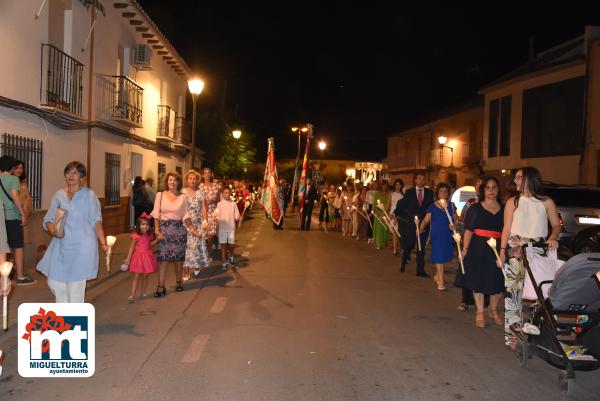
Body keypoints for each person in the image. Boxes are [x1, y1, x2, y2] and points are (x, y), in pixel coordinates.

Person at [499, 167, 561, 349]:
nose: (515, 181)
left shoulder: (547, 202)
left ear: (529, 179)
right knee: (513, 295)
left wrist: (552, 238)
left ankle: (537, 330)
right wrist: (502, 252)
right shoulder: (513, 201)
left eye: (519, 177)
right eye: (516, 177)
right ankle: (512, 336)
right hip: (516, 250)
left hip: (538, 250)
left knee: (540, 293)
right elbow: (506, 228)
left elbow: (556, 225)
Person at [37, 161, 107, 302]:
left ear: (82, 177)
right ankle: (65, 310)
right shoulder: (59, 195)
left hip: (82, 248)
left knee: (75, 288)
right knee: (54, 282)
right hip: (60, 246)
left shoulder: (90, 196)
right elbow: (49, 219)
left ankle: (71, 319)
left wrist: (104, 243)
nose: (71, 175)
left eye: (75, 172)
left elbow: (96, 221)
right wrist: (53, 230)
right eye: (68, 171)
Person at [460, 176, 504, 328]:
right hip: (478, 247)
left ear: (498, 190)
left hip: (498, 248)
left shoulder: (505, 209)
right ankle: (480, 311)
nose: (491, 190)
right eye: (488, 187)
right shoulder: (475, 208)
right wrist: (465, 249)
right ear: (483, 190)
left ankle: (492, 309)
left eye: (494, 187)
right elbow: (469, 230)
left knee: (498, 280)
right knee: (478, 279)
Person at [152, 172, 188, 296]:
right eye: (170, 180)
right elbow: (156, 214)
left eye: (175, 180)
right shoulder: (160, 195)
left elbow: (186, 215)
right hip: (164, 231)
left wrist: (193, 230)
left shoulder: (183, 197)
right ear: (167, 182)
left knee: (178, 259)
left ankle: (179, 281)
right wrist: (157, 230)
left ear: (178, 182)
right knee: (163, 259)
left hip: (179, 230)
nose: (172, 182)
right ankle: (160, 286)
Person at [0, 156, 32, 285]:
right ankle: (20, 276)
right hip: (12, 217)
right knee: (18, 247)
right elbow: (14, 196)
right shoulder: (13, 179)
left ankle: (4, 276)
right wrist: (22, 213)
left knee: (2, 248)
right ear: (11, 167)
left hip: (1, 218)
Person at [395, 172, 434, 277]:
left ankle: (420, 270)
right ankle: (403, 263)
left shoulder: (430, 193)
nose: (421, 181)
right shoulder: (409, 192)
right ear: (415, 180)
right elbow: (402, 205)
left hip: (424, 224)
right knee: (408, 245)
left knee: (421, 248)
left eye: (423, 179)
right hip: (412, 224)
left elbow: (432, 207)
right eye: (419, 179)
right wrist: (394, 214)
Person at [419, 183, 457, 291]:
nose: (444, 193)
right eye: (441, 191)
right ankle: (440, 280)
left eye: (445, 191)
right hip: (437, 236)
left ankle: (437, 275)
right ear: (438, 193)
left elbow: (456, 220)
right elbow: (426, 220)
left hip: (447, 235)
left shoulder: (452, 206)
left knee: (443, 257)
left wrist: (455, 225)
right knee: (439, 258)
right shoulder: (432, 207)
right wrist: (421, 227)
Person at [124, 213, 158, 302]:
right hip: (138, 257)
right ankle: (132, 295)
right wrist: (128, 258)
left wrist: (157, 240)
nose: (145, 226)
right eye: (143, 224)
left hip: (147, 256)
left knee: (146, 275)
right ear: (139, 226)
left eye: (147, 224)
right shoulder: (136, 236)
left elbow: (149, 245)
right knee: (136, 276)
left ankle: (143, 291)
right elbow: (132, 248)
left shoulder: (149, 235)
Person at [183, 170, 209, 278]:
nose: (193, 180)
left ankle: (196, 265)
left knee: (197, 245)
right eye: (190, 178)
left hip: (198, 222)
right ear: (187, 180)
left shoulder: (201, 192)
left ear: (197, 180)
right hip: (186, 221)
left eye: (194, 178)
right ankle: (185, 271)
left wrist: (205, 221)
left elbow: (203, 207)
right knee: (186, 247)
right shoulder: (182, 192)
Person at [217, 187, 241, 271]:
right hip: (222, 228)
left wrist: (239, 219)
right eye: (225, 193)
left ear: (230, 193)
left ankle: (231, 256)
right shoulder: (219, 204)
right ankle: (223, 262)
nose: (227, 194)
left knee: (231, 245)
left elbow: (237, 216)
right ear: (222, 194)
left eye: (228, 192)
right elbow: (217, 216)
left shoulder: (233, 204)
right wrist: (215, 219)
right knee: (223, 245)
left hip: (231, 228)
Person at [199, 168, 220, 260]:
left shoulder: (216, 186)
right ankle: (202, 253)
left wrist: (213, 200)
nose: (207, 175)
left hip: (212, 213)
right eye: (205, 173)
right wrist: (203, 202)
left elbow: (218, 199)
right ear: (202, 175)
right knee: (202, 235)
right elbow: (196, 199)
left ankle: (209, 253)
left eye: (209, 173)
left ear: (211, 174)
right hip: (201, 213)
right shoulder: (199, 186)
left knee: (210, 236)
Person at [12, 161, 33, 245]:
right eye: (17, 168)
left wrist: (26, 212)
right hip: (12, 214)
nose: (19, 170)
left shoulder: (24, 183)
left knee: (20, 243)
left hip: (23, 215)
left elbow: (28, 199)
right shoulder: (9, 182)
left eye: (21, 168)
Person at [373, 181, 391, 250]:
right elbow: (375, 202)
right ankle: (379, 243)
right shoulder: (377, 193)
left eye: (385, 185)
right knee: (379, 229)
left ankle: (385, 242)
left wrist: (385, 212)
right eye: (383, 185)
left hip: (386, 212)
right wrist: (373, 210)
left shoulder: (389, 194)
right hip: (378, 212)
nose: (384, 187)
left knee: (385, 228)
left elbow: (388, 204)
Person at [390, 179, 404, 255]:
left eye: (399, 185)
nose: (398, 186)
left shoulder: (403, 196)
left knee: (396, 232)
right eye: (396, 185)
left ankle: (396, 249)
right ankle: (396, 248)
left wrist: (396, 217)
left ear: (401, 186)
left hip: (398, 215)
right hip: (392, 214)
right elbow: (388, 204)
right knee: (394, 232)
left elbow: (401, 208)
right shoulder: (391, 194)